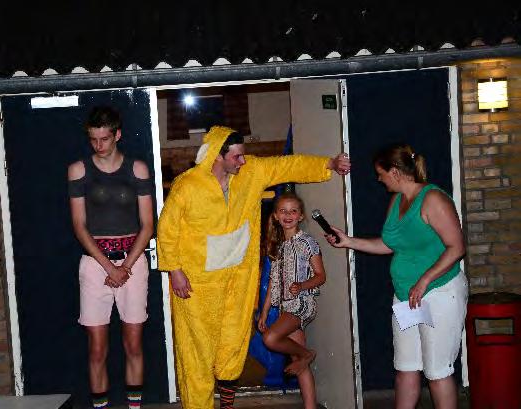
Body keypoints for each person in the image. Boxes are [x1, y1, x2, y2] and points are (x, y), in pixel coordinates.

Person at [157, 125, 350, 409]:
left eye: (243, 155)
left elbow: (288, 165)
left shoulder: (251, 173)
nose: (242, 161)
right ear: (217, 156)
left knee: (233, 346)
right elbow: (167, 229)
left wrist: (328, 164)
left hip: (237, 280)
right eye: (236, 157)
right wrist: (174, 270)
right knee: (196, 353)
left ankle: (227, 404)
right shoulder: (187, 186)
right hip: (197, 285)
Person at [325, 143, 467, 409]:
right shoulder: (397, 200)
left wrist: (424, 280)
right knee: (405, 368)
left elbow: (457, 247)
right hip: (406, 295)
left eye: (381, 173)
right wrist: (348, 241)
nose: (379, 179)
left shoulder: (433, 199)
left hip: (439, 293)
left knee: (437, 372)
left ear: (395, 171)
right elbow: (390, 245)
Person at [68, 106, 154, 409]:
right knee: (97, 349)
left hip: (133, 260)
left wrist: (125, 267)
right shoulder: (78, 170)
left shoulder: (137, 169)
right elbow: (79, 226)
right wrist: (109, 266)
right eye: (93, 139)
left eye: (104, 139)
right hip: (95, 265)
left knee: (133, 344)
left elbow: (148, 225)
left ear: (117, 134)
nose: (98, 145)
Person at [257, 192, 326, 409]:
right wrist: (266, 312)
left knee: (270, 338)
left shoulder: (307, 242)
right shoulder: (278, 247)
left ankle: (309, 354)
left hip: (302, 305)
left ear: (301, 215)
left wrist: (302, 285)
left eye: (293, 211)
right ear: (276, 215)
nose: (288, 215)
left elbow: (321, 275)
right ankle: (310, 405)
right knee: (299, 361)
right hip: (286, 306)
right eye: (283, 211)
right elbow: (273, 284)